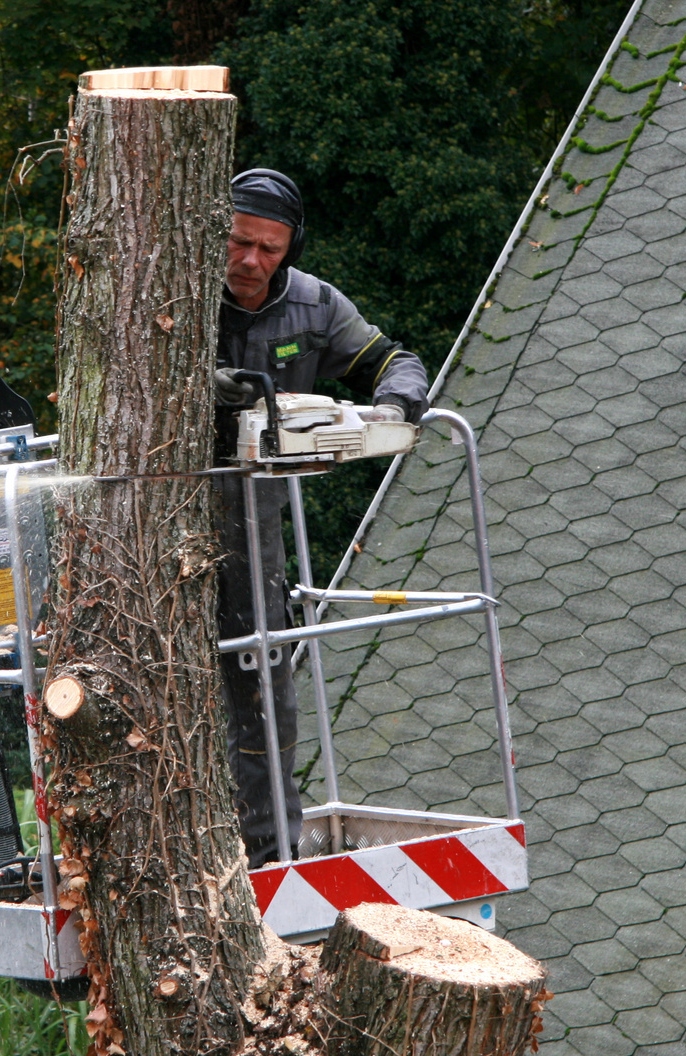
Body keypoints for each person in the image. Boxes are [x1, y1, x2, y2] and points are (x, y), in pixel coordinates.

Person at [214, 169, 429, 867]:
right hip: (161, 519)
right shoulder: (169, 293)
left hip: (252, 529)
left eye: (268, 249)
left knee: (259, 676)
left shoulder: (314, 306)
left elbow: (393, 360)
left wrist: (392, 409)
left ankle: (267, 853)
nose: (250, 261)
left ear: (289, 248)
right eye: (238, 242)